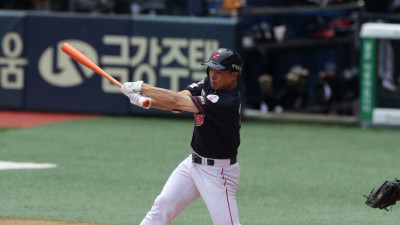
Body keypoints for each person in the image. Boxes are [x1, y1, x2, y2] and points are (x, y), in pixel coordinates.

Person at [120, 48, 243, 225]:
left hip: (219, 173)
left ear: (234, 75)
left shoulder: (227, 102)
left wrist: (142, 87)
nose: (213, 76)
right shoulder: (210, 83)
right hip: (193, 165)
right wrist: (147, 102)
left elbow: (176, 102)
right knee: (162, 207)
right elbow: (178, 102)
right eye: (211, 70)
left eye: (219, 72)